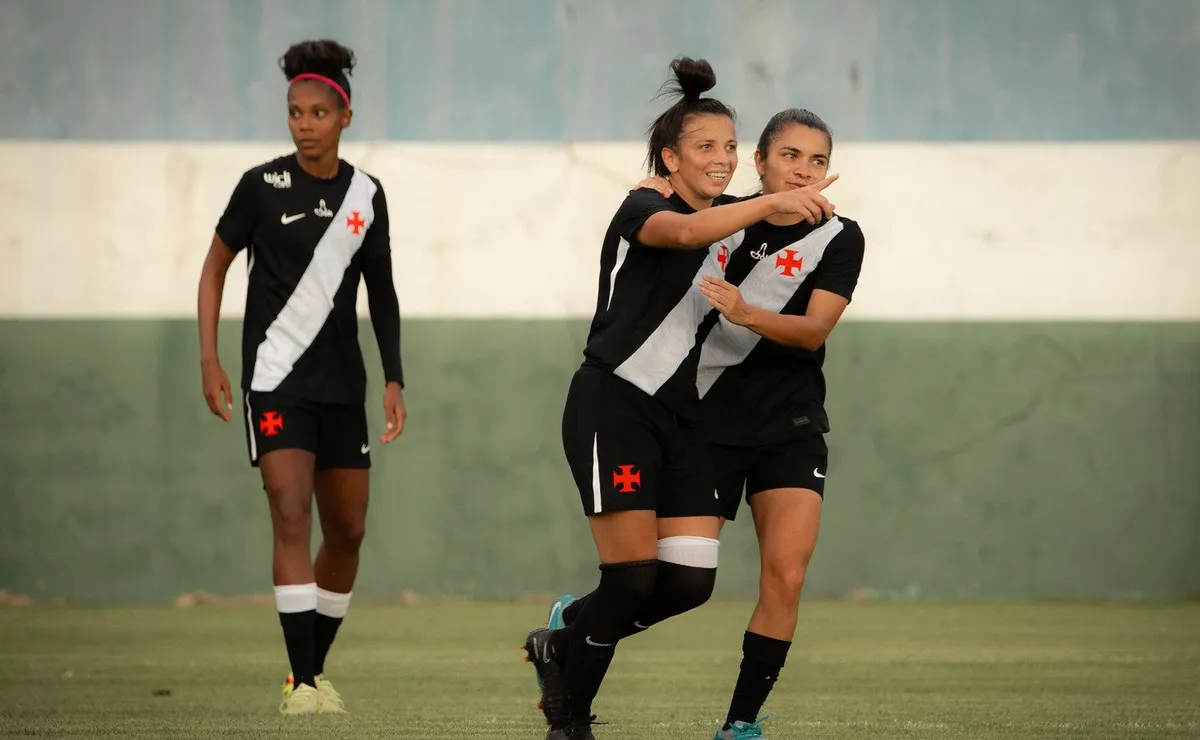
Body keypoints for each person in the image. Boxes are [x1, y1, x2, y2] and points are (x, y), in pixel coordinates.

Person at [521, 58, 838, 740]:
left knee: (688, 583)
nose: (722, 160)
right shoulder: (648, 208)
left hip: (680, 419)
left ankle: (563, 638)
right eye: (705, 147)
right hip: (613, 403)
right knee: (632, 577)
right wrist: (772, 202)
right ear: (669, 157)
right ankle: (567, 719)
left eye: (729, 147)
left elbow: (765, 248)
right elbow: (688, 233)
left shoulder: (734, 218)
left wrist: (797, 210)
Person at [196, 38, 406, 717]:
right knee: (290, 514)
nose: (304, 123)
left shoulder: (366, 196)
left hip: (343, 386)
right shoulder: (261, 187)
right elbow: (214, 268)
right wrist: (210, 358)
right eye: (294, 112)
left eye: (318, 112)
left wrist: (394, 379)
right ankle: (305, 685)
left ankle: (310, 671)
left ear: (345, 116)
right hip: (275, 378)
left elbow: (383, 293)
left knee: (346, 531)